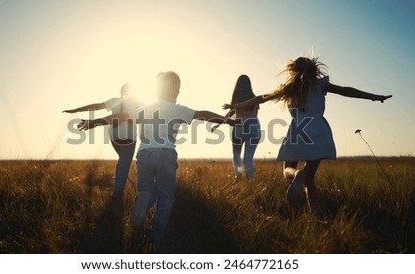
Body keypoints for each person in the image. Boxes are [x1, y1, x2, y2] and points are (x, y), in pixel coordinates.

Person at [77, 71, 236, 250]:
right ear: (177, 92)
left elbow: (120, 117)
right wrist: (225, 120)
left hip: (144, 154)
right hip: (166, 154)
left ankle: (144, 201)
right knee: (166, 196)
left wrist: (95, 122)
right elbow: (203, 114)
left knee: (145, 188)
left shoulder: (145, 109)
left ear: (156, 91)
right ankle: (158, 235)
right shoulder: (179, 109)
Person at [223, 57, 392, 220]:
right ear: (314, 68)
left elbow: (262, 98)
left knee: (287, 170)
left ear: (293, 70)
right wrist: (373, 96)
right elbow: (346, 90)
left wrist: (235, 105)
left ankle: (297, 174)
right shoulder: (321, 84)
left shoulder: (289, 87)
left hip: (299, 129)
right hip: (319, 128)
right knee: (309, 179)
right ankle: (316, 214)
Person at [63, 83, 142, 200]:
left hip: (114, 136)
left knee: (123, 161)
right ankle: (117, 194)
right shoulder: (138, 102)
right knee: (124, 163)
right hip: (129, 136)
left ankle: (118, 186)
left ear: (122, 92)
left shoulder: (115, 101)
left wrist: (76, 110)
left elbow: (96, 106)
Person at [216, 75, 261, 182]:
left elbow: (231, 112)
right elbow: (255, 113)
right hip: (254, 126)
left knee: (236, 154)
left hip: (239, 127)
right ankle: (250, 179)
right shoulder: (255, 98)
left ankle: (238, 176)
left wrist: (219, 122)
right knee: (248, 157)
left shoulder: (236, 98)